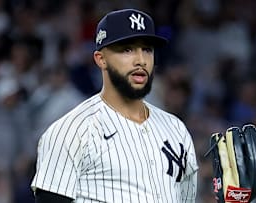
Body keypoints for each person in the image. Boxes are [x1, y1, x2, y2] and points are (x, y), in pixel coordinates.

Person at [31, 8, 199, 203]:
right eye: (127, 49)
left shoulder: (176, 128)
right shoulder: (70, 131)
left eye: (147, 49)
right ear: (101, 59)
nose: (141, 60)